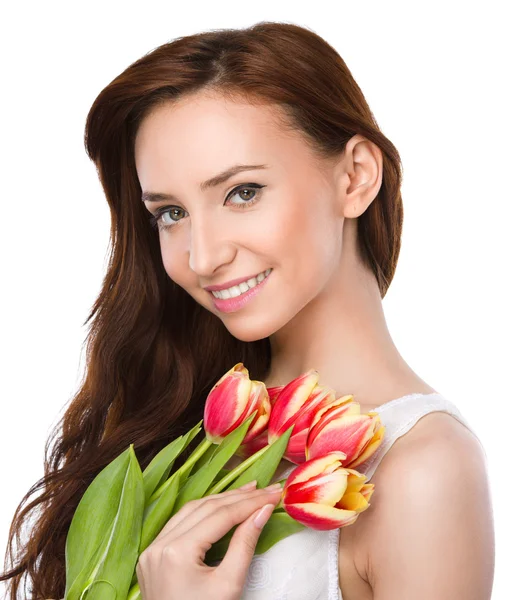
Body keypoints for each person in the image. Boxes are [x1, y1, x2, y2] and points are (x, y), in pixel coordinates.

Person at [1, 21, 494, 600]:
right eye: (170, 213)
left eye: (242, 192)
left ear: (355, 177)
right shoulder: (187, 424)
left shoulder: (421, 471)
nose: (203, 257)